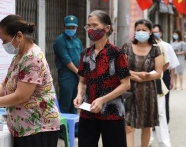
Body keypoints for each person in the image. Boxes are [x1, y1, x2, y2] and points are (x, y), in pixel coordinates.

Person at [0, 14, 60, 147]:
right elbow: (4, 84)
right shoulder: (19, 56)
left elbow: (21, 96)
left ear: (19, 36)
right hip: (23, 128)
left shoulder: (33, 58)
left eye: (5, 40)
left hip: (38, 128)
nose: (3, 44)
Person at [73, 10, 130, 147]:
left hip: (112, 112)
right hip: (88, 112)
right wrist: (79, 95)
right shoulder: (85, 54)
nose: (91, 29)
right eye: (89, 26)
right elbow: (82, 81)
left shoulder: (117, 53)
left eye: (95, 25)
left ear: (107, 28)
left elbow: (125, 84)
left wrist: (102, 99)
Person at [121, 19, 163, 147]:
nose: (141, 32)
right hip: (129, 90)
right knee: (128, 126)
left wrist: (142, 77)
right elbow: (122, 70)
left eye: (144, 30)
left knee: (146, 126)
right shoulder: (127, 47)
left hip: (148, 91)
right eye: (138, 30)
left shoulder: (155, 49)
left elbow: (158, 72)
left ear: (150, 32)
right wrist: (137, 76)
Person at [149, 24, 180, 147]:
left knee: (161, 109)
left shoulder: (164, 46)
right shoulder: (140, 46)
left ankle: (164, 138)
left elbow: (170, 64)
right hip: (144, 81)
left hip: (161, 78)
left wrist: (171, 78)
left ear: (160, 33)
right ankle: (149, 138)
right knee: (148, 111)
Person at [52, 15, 82, 138]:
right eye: (69, 27)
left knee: (74, 103)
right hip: (67, 76)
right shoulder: (60, 41)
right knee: (65, 103)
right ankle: (62, 131)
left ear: (77, 27)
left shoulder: (77, 40)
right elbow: (66, 60)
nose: (71, 29)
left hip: (77, 76)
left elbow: (81, 56)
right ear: (63, 27)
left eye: (73, 27)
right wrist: (78, 72)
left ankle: (73, 129)